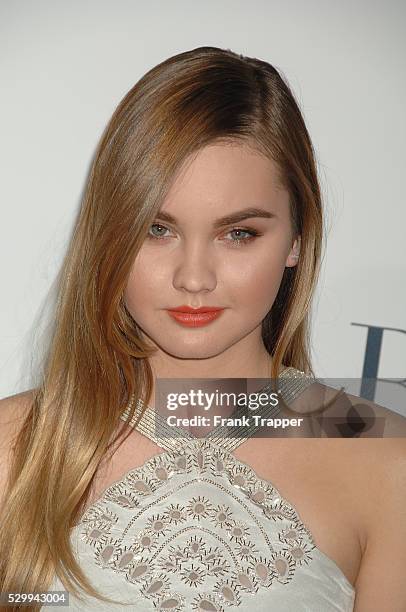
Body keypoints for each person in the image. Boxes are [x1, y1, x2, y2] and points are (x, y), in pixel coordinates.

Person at [0, 46, 405, 612]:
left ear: (296, 241)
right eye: (156, 228)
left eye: (238, 233)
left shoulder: (388, 461)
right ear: (110, 235)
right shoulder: (12, 445)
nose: (194, 278)